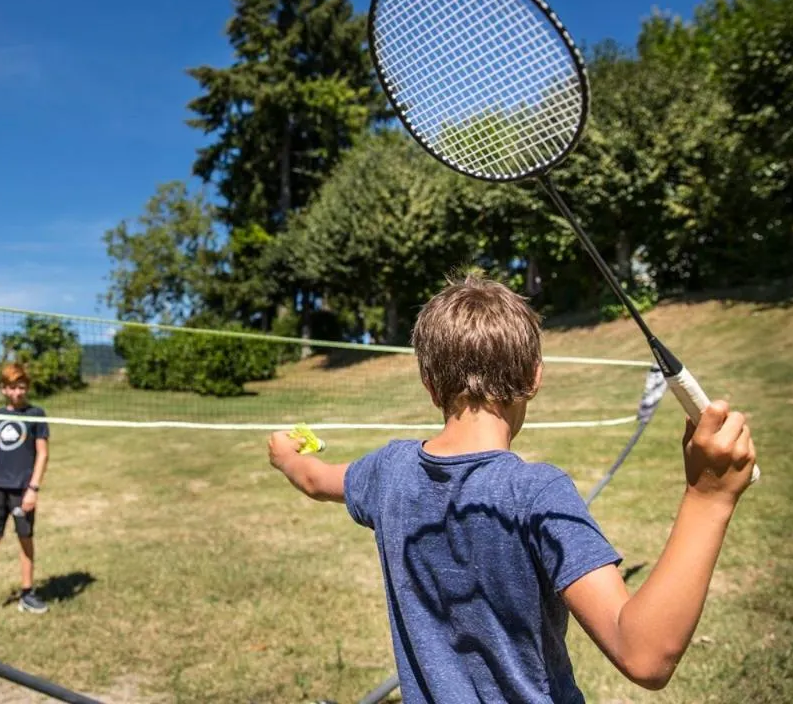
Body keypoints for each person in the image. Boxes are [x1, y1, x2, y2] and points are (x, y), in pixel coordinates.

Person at [268, 273, 757, 702]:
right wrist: (708, 498)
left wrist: (286, 453)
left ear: (429, 383)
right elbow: (644, 654)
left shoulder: (388, 471)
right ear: (534, 377)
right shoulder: (537, 493)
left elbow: (313, 478)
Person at [0, 362, 50, 621]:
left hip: (22, 490)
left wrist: (33, 489)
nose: (17, 392)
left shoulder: (36, 414)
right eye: (12, 388)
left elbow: (42, 454)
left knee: (25, 539)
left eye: (22, 387)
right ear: (4, 389)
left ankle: (27, 594)